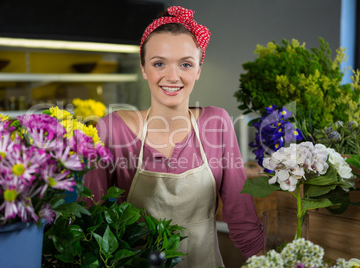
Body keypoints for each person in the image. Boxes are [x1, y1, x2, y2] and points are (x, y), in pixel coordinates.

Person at [83, 6, 263, 267]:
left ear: (198, 69)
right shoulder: (113, 129)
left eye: (186, 64)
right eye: (159, 63)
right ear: (144, 68)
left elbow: (242, 219)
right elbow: (89, 220)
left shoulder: (217, 123)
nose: (172, 76)